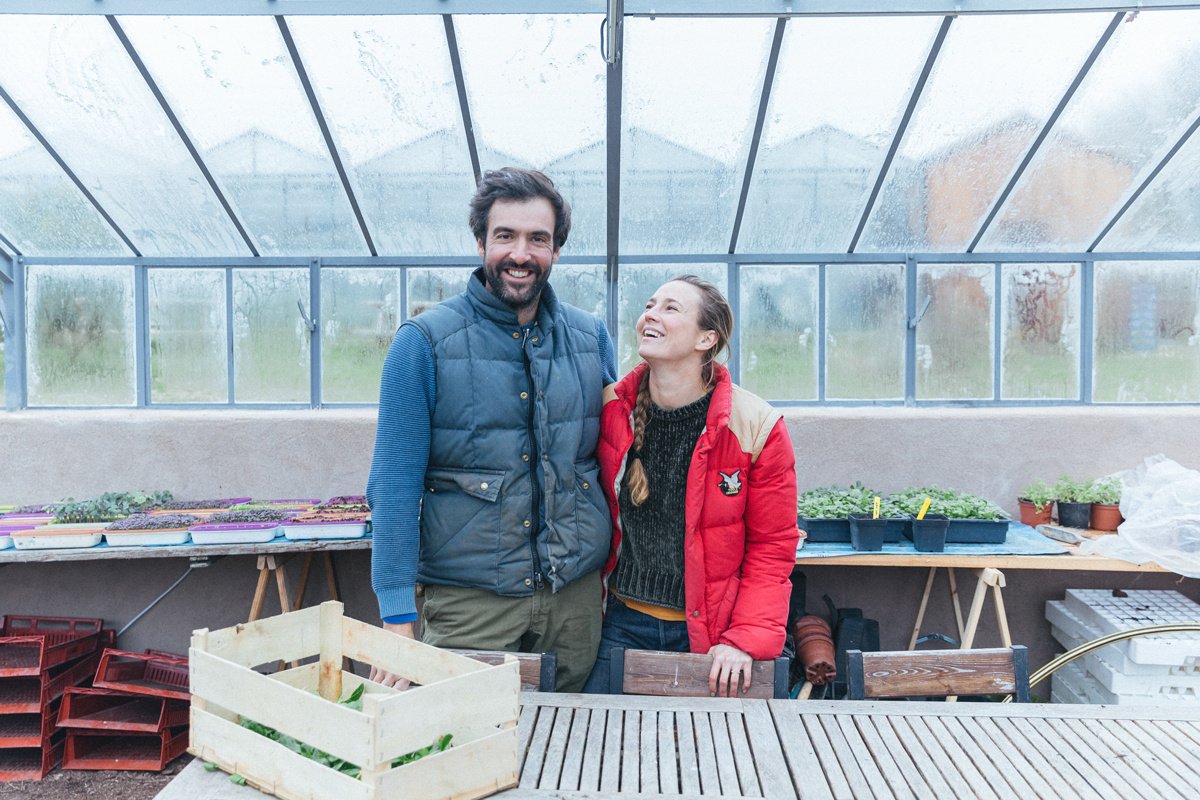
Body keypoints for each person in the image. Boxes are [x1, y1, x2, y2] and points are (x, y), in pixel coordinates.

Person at [366, 167, 616, 692]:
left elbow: (615, 461)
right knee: (460, 748)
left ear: (556, 250)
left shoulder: (590, 338)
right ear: (481, 241)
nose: (520, 254)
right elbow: (393, 485)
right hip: (470, 603)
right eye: (506, 236)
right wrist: (395, 616)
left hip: (573, 605)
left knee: (568, 750)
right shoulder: (424, 342)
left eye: (538, 239)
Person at [583, 275, 799, 696]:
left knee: (707, 757)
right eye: (650, 304)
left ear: (707, 337)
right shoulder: (611, 409)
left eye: (670, 308)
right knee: (601, 745)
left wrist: (744, 640)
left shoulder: (756, 425)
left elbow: (773, 545)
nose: (651, 314)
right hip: (619, 624)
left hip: (712, 635)